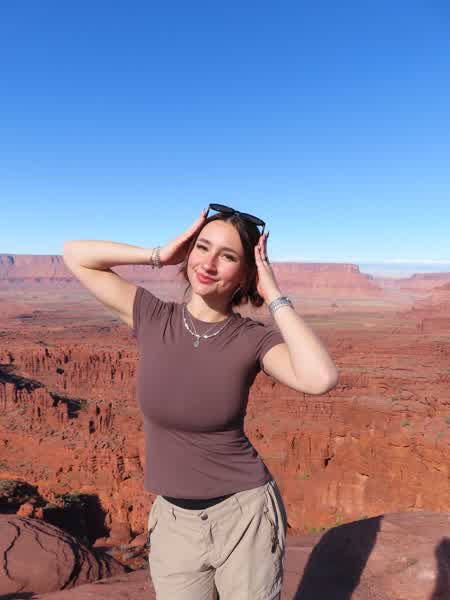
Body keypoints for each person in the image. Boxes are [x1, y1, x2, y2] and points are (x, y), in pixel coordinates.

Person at [63, 204, 339, 599]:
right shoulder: (153, 317)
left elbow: (320, 378)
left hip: (244, 517)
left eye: (227, 256)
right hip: (174, 522)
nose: (208, 264)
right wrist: (160, 254)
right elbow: (75, 254)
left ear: (246, 273)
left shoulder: (251, 339)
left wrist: (274, 294)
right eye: (202, 247)